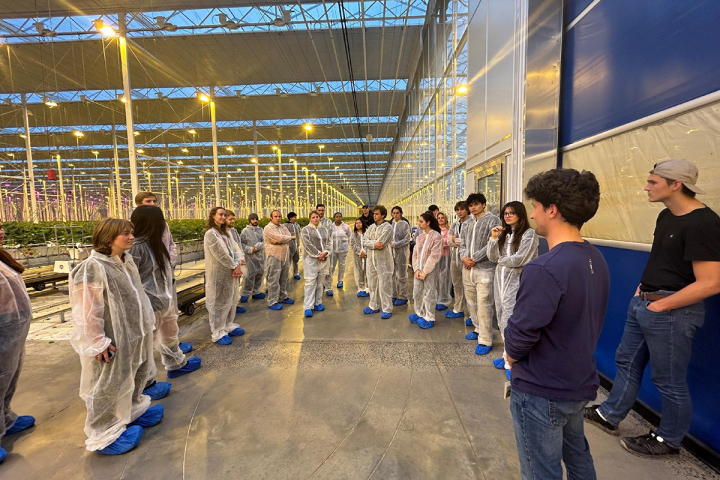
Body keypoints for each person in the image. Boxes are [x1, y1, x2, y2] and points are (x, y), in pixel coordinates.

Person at [585, 159, 720, 458]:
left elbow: (710, 282)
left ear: (676, 185)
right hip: (645, 303)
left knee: (668, 380)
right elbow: (663, 261)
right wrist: (641, 291)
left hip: (673, 312)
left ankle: (668, 440)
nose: (646, 187)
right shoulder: (666, 216)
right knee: (627, 362)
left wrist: (662, 305)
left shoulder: (704, 223)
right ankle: (610, 414)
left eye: (653, 182)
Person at [504, 168, 608, 480]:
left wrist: (511, 356)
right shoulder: (594, 258)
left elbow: (521, 334)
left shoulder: (545, 268)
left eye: (534, 206)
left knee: (541, 471)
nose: (532, 214)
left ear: (552, 209)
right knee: (579, 460)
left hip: (542, 389)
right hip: (576, 382)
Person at [70, 219, 161, 455]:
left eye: (131, 232)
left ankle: (130, 411)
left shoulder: (126, 261)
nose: (131, 237)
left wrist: (146, 321)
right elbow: (86, 310)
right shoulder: (92, 267)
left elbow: (138, 296)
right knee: (108, 384)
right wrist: (98, 341)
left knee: (135, 372)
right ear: (108, 237)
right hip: (113, 337)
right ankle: (104, 434)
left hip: (135, 332)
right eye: (125, 234)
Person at [130, 206, 201, 382]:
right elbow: (131, 282)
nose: (163, 225)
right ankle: (145, 384)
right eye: (160, 221)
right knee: (145, 345)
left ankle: (176, 364)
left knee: (169, 333)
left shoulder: (155, 243)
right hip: (147, 304)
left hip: (164, 298)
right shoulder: (136, 248)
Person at [487, 201, 538, 380]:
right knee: (501, 318)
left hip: (516, 285)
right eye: (505, 213)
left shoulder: (528, 234)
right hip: (500, 282)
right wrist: (493, 238)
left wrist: (502, 260)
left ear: (520, 214)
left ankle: (513, 361)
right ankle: (506, 354)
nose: (507, 216)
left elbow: (520, 259)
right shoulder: (505, 234)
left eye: (511, 213)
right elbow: (492, 257)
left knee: (512, 320)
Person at [0, 221, 34, 463]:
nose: (2, 231)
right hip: (5, 329)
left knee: (8, 376)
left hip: (12, 331)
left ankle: (5, 417)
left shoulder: (2, 257)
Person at [460, 193, 501, 355]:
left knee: (484, 303)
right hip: (468, 268)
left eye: (476, 204)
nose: (473, 207)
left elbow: (492, 244)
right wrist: (464, 257)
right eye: (470, 205)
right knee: (471, 301)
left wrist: (474, 259)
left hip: (485, 268)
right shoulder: (469, 224)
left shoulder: (493, 220)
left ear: (484, 204)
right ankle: (477, 328)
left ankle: (485, 339)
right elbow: (462, 243)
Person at [204, 207, 245, 345]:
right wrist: (234, 265)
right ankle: (217, 332)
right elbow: (220, 254)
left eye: (224, 215)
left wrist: (238, 262)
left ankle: (227, 325)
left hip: (231, 272)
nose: (223, 217)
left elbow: (234, 248)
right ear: (213, 216)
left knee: (230, 299)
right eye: (220, 215)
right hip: (218, 274)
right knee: (218, 302)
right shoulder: (211, 234)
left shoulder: (225, 233)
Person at [410, 213, 443, 329]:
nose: (419, 224)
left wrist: (425, 271)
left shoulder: (436, 236)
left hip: (430, 270)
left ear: (428, 222)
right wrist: (416, 269)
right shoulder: (420, 237)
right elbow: (415, 255)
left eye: (421, 221)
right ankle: (419, 312)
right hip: (418, 270)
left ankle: (430, 316)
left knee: (430, 292)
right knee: (417, 292)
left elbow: (434, 256)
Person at [363, 205, 394, 319]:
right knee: (372, 284)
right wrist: (373, 244)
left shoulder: (388, 227)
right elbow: (364, 240)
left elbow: (382, 243)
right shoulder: (371, 227)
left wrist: (372, 243)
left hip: (383, 262)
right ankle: (373, 306)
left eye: (377, 214)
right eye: (374, 214)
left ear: (383, 215)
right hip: (371, 261)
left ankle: (387, 308)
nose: (374, 216)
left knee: (384, 285)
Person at [135, 191, 178, 269]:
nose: (153, 204)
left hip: (165, 266)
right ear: (138, 204)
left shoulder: (164, 225)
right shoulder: (133, 225)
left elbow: (171, 245)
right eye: (148, 201)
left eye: (154, 201)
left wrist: (170, 262)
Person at [263, 210, 295, 310]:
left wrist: (282, 240)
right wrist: (285, 239)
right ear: (271, 218)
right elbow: (279, 238)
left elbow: (288, 236)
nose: (278, 218)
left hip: (285, 256)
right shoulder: (268, 228)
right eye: (276, 216)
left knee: (284, 278)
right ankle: (272, 301)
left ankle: (282, 296)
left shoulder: (283, 227)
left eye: (279, 216)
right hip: (274, 256)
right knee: (273, 279)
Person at [446, 201, 473, 321]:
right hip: (454, 258)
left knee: (469, 287)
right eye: (457, 210)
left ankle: (473, 315)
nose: (459, 212)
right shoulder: (455, 224)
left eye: (461, 209)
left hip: (467, 258)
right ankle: (458, 308)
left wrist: (455, 240)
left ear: (467, 210)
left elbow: (470, 242)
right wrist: (457, 241)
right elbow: (448, 241)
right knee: (457, 285)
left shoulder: (472, 223)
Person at [301, 211, 331, 317]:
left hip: (324, 259)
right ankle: (308, 306)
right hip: (311, 260)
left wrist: (325, 252)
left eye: (317, 217)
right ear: (310, 219)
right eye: (313, 217)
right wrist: (318, 254)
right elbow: (307, 244)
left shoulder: (324, 230)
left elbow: (329, 243)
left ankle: (318, 302)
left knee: (319, 283)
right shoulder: (305, 230)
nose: (315, 219)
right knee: (310, 283)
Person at [240, 213, 265, 302]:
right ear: (250, 220)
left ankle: (256, 292)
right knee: (249, 275)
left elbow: (264, 241)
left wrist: (258, 247)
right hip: (250, 257)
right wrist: (250, 249)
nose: (255, 221)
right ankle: (245, 293)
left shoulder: (261, 230)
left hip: (260, 256)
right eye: (253, 219)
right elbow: (241, 244)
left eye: (256, 219)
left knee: (260, 274)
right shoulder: (245, 231)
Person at [226, 210, 248, 314]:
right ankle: (228, 308)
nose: (233, 221)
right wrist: (234, 263)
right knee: (228, 289)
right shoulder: (218, 233)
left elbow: (237, 246)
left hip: (236, 264)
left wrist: (241, 258)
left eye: (233, 219)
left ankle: (235, 305)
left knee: (235, 286)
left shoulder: (233, 231)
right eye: (230, 219)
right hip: (228, 265)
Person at [390, 206, 412, 306]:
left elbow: (408, 238)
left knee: (402, 274)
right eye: (393, 213)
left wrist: (397, 244)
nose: (395, 215)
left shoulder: (405, 224)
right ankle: (394, 294)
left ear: (401, 213)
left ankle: (402, 296)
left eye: (397, 213)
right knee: (392, 274)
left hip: (402, 252)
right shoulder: (390, 224)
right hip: (391, 252)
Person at [330, 212, 351, 293]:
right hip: (333, 249)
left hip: (343, 249)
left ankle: (340, 281)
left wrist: (346, 245)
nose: (338, 218)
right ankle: (328, 282)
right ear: (334, 218)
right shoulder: (331, 226)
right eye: (336, 217)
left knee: (342, 265)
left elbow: (349, 236)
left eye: (339, 216)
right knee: (332, 266)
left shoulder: (346, 227)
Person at [435, 212, 452, 311]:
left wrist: (440, 242)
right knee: (436, 279)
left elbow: (448, 242)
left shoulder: (449, 230)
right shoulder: (435, 230)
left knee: (444, 279)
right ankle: (437, 298)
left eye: (442, 218)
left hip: (445, 257)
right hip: (436, 257)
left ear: (445, 219)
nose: (440, 219)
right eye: (439, 218)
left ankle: (444, 299)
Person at [316, 204, 334, 295]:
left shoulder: (328, 222)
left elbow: (328, 233)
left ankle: (328, 287)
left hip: (326, 248)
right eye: (319, 210)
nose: (321, 212)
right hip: (316, 250)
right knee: (317, 270)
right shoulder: (313, 222)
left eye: (322, 210)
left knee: (328, 269)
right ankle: (319, 286)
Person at [349, 218, 369, 297]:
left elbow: (369, 242)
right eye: (356, 223)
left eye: (360, 223)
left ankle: (368, 288)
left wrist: (365, 251)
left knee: (368, 271)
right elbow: (352, 244)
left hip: (367, 255)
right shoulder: (353, 234)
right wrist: (360, 252)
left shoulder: (367, 233)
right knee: (359, 271)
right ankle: (360, 287)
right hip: (358, 256)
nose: (358, 224)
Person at [283, 212, 302, 280]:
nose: (295, 218)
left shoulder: (297, 225)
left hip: (296, 246)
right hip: (289, 246)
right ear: (290, 218)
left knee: (296, 260)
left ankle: (296, 273)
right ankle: (286, 275)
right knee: (288, 261)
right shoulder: (285, 225)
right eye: (294, 217)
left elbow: (300, 233)